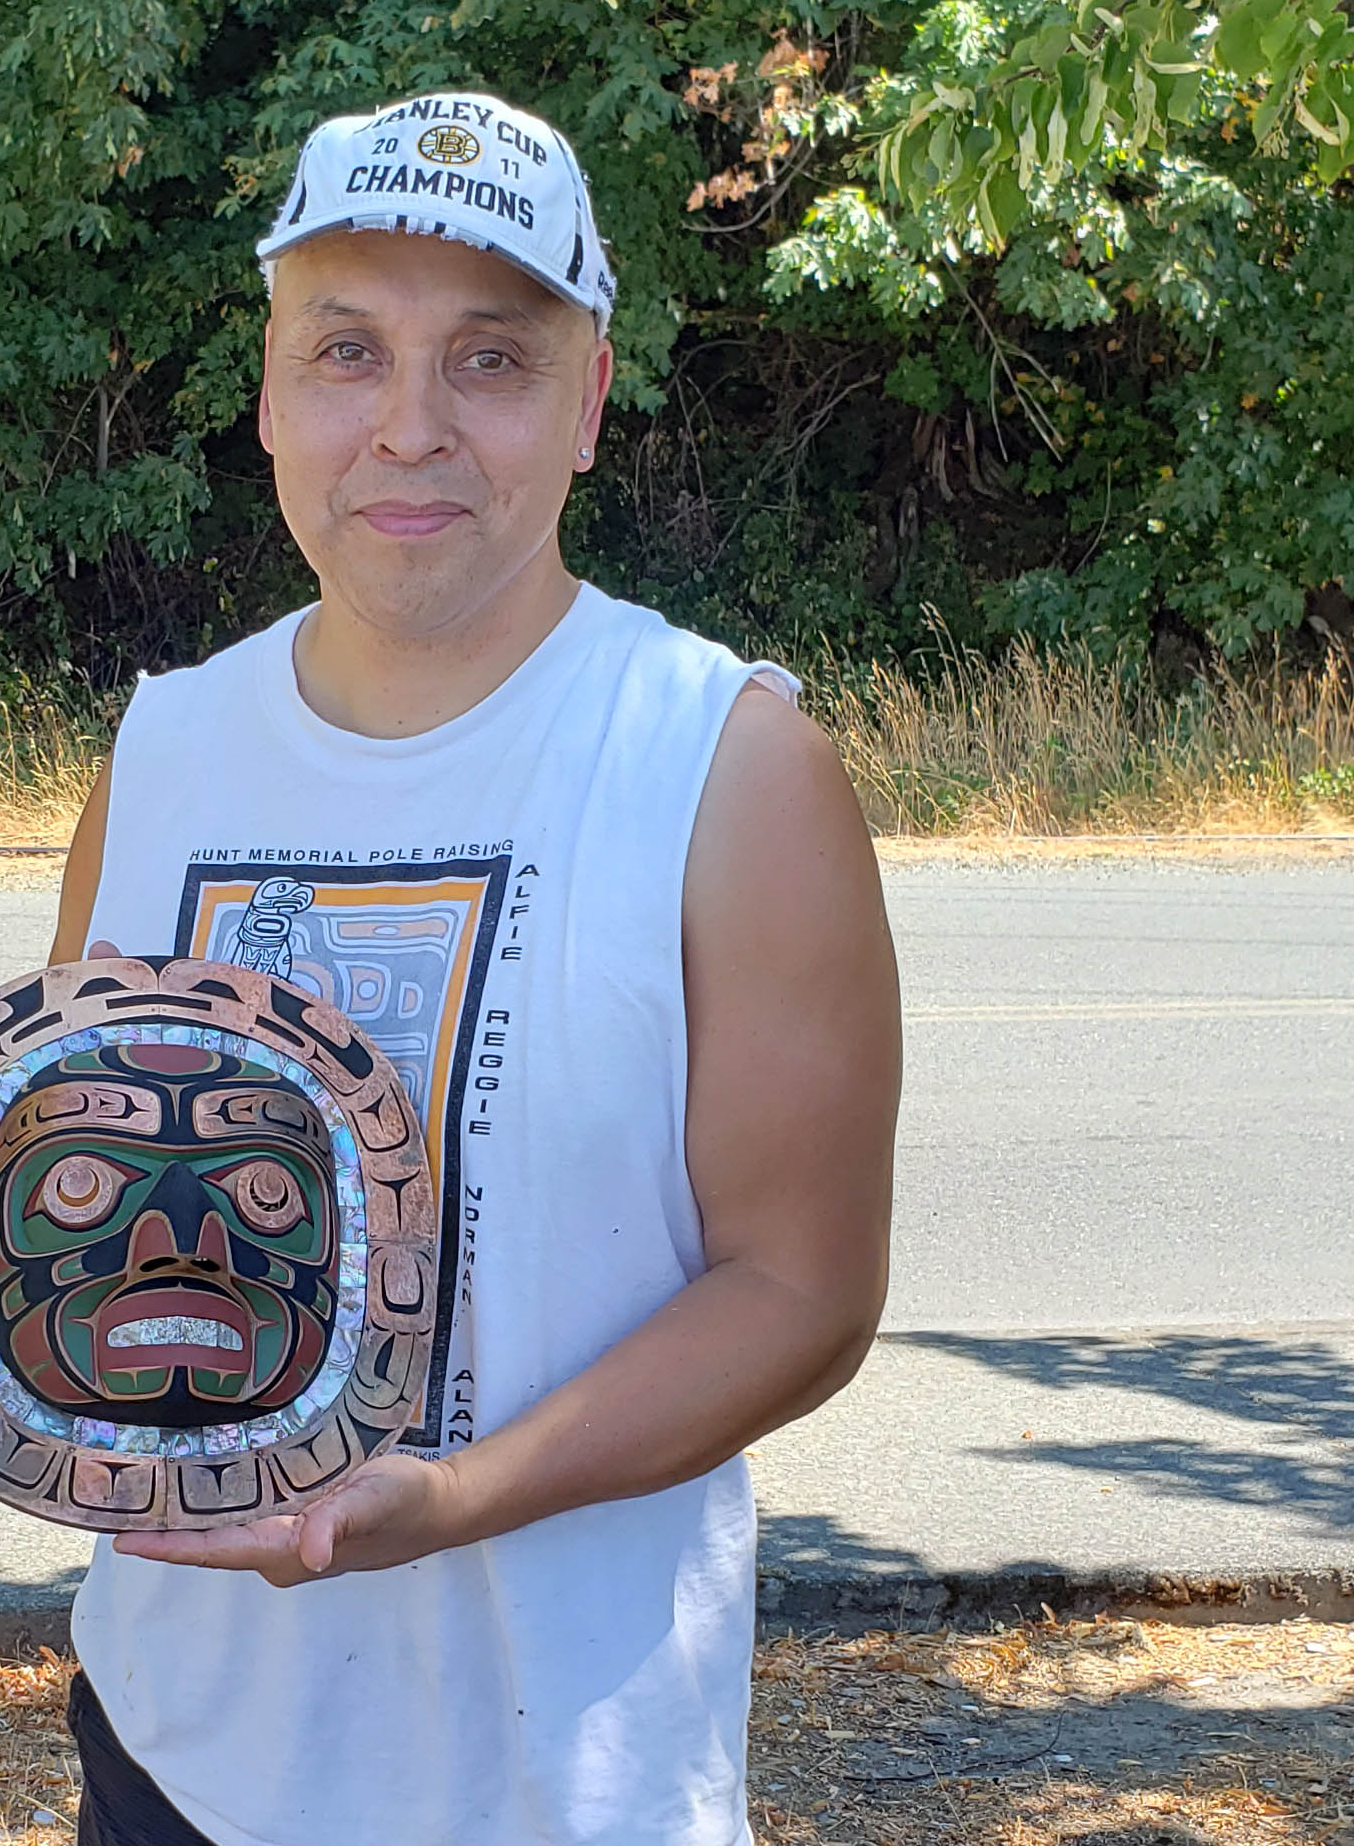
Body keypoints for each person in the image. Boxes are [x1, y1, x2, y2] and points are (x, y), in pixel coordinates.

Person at [47, 89, 901, 1846]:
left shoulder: (720, 762)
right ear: (273, 392)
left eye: (493, 361)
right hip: (173, 1749)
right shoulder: (165, 752)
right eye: (348, 350)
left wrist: (449, 1499)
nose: (410, 429)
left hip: (560, 1780)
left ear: (589, 403)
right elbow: (71, 1188)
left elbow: (801, 1289)